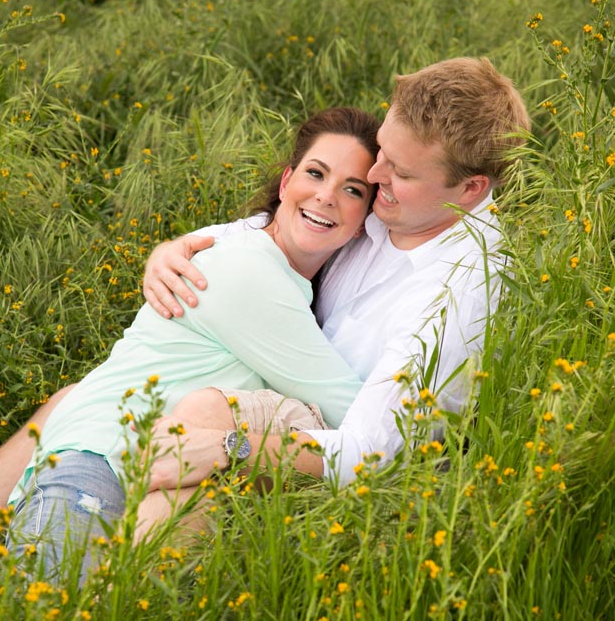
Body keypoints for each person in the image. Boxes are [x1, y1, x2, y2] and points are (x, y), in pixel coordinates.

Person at [6, 107, 385, 578]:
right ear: (286, 183)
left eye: (352, 189)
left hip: (153, 474)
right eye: (316, 173)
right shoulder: (250, 272)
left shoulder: (281, 274)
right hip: (97, 467)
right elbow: (357, 416)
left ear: (365, 216)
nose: (327, 196)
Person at [141, 56, 530, 495]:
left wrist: (231, 450)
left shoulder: (462, 294)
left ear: (470, 189)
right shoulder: (399, 208)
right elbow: (290, 227)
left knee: (196, 429)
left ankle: (125, 559)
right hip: (285, 393)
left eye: (401, 172)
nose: (374, 174)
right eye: (383, 150)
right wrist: (183, 246)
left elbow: (370, 453)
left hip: (354, 467)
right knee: (86, 405)